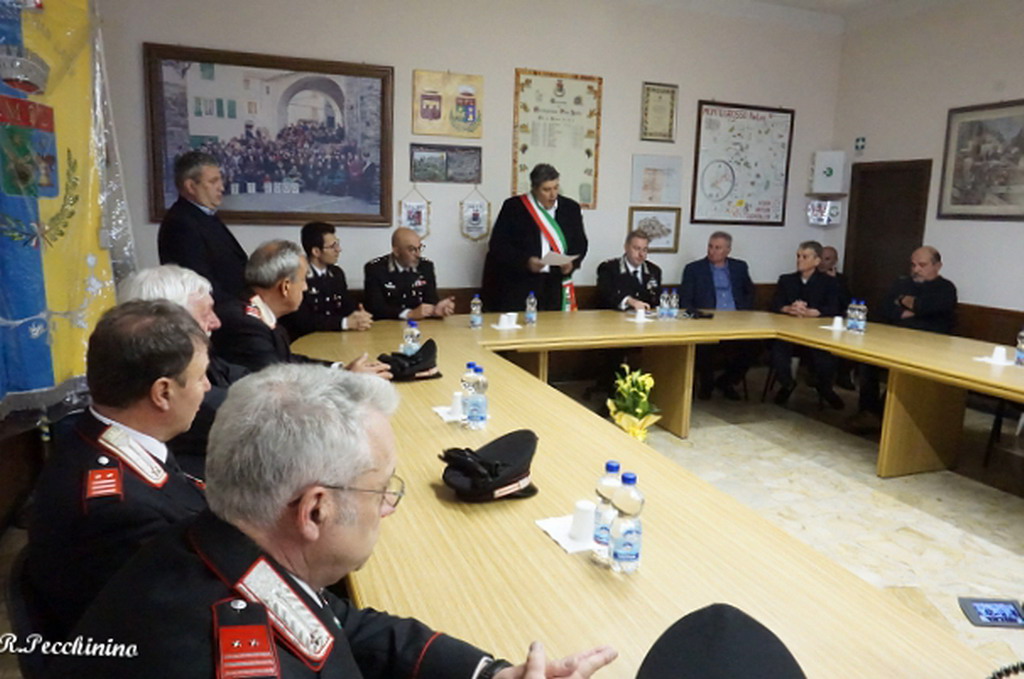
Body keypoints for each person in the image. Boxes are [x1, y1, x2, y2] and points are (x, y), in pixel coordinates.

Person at [48, 366, 619, 679]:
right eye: (382, 489)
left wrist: (488, 675)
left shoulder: (209, 541)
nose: (389, 507)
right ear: (315, 510)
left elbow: (332, 621)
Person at [25, 300, 210, 642]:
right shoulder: (119, 512)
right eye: (200, 377)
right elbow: (169, 626)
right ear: (163, 393)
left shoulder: (98, 437)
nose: (208, 387)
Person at [118, 265, 250, 475]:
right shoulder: (173, 394)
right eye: (205, 314)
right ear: (168, 325)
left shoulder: (196, 358)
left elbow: (238, 374)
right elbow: (245, 409)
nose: (216, 322)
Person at [213, 240, 391, 377]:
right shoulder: (246, 326)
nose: (306, 287)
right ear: (285, 286)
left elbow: (288, 362)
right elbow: (277, 381)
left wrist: (340, 369)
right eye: (304, 279)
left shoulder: (255, 311)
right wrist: (347, 378)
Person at [854, 246, 957, 418]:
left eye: (922, 265)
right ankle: (868, 410)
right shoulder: (902, 283)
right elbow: (885, 307)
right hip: (895, 338)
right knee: (867, 360)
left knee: (903, 370)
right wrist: (907, 309)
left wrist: (905, 302)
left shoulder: (945, 288)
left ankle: (885, 415)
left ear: (937, 266)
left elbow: (930, 310)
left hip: (928, 345)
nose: (916, 270)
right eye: (913, 265)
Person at [481, 163, 588, 312]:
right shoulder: (514, 207)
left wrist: (572, 263)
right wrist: (526, 261)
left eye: (556, 187)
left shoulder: (570, 208)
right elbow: (498, 245)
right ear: (534, 189)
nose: (553, 195)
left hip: (555, 284)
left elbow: (580, 243)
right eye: (546, 190)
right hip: (520, 284)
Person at [158, 151, 248, 304]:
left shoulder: (206, 216)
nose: (221, 187)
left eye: (220, 180)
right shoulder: (180, 225)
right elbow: (200, 283)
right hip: (215, 311)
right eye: (213, 182)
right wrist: (243, 309)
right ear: (191, 187)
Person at [679, 231, 755, 400]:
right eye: (710, 246)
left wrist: (744, 311)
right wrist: (697, 315)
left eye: (718, 248)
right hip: (707, 321)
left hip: (737, 321)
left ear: (728, 250)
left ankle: (726, 381)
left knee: (754, 346)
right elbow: (685, 299)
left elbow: (749, 292)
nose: (712, 251)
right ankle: (706, 385)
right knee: (705, 346)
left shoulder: (739, 267)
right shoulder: (694, 269)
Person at [770, 241, 844, 409]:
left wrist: (814, 312)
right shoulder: (786, 280)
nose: (799, 260)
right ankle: (787, 384)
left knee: (826, 357)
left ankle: (825, 388)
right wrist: (788, 308)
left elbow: (834, 308)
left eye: (805, 257)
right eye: (798, 256)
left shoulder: (829, 282)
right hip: (789, 332)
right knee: (778, 351)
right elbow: (775, 304)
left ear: (817, 261)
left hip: (816, 333)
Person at [279, 221, 373, 340]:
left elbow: (346, 303)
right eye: (333, 246)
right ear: (316, 251)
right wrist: (344, 323)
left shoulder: (336, 273)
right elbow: (303, 320)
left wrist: (359, 314)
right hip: (306, 340)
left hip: (336, 338)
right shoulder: (297, 276)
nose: (338, 249)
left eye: (337, 244)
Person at [363, 227, 455, 320]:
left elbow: (430, 300)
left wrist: (436, 309)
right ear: (396, 251)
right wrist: (409, 314)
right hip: (386, 325)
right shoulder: (376, 269)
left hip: (420, 325)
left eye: (419, 248)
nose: (418, 254)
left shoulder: (426, 266)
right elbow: (375, 308)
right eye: (412, 249)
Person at [818, 246, 855, 390]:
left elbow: (847, 302)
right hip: (817, 319)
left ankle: (843, 375)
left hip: (838, 319)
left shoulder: (840, 280)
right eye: (820, 258)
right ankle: (818, 375)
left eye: (827, 259)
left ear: (834, 262)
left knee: (851, 340)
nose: (822, 262)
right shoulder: (812, 277)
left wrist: (835, 283)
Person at [596, 230, 662, 310]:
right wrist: (629, 301)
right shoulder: (609, 269)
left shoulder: (654, 271)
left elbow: (656, 300)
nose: (641, 254)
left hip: (646, 316)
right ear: (626, 248)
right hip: (615, 316)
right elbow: (606, 295)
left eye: (644, 250)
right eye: (637, 249)